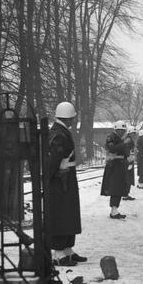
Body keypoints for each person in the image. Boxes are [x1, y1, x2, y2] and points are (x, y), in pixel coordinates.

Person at [44, 101, 87, 266]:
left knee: (69, 213)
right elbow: (54, 159)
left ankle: (68, 249)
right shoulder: (58, 134)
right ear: (68, 117)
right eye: (72, 118)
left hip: (66, 178)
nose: (73, 121)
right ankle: (59, 253)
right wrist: (50, 178)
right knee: (62, 214)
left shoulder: (61, 131)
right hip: (60, 180)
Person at [100, 122, 130, 219]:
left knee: (119, 188)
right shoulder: (111, 137)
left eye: (123, 130)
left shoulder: (120, 138)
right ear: (116, 130)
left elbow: (125, 151)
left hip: (120, 165)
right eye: (120, 130)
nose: (122, 132)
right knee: (115, 188)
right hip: (114, 166)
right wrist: (123, 144)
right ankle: (114, 211)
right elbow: (112, 149)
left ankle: (115, 209)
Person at [123, 126, 137, 201]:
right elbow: (127, 151)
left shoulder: (129, 139)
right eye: (133, 133)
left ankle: (126, 194)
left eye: (134, 133)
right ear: (129, 133)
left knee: (128, 178)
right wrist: (129, 162)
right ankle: (125, 194)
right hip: (128, 161)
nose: (134, 134)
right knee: (128, 178)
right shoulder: (128, 140)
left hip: (129, 160)